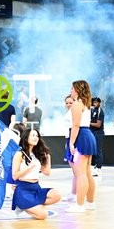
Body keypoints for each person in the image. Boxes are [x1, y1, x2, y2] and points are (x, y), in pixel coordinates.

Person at [11, 128, 61, 219]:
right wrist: (28, 168)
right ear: (26, 138)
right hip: (23, 189)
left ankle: (31, 205)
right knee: (43, 215)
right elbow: (15, 176)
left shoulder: (36, 154)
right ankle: (22, 206)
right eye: (33, 135)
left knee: (56, 195)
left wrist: (48, 158)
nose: (36, 138)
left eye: (37, 136)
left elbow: (47, 172)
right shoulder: (19, 154)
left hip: (35, 187)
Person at [65, 80, 98, 213]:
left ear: (77, 90)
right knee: (87, 172)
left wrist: (72, 142)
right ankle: (90, 202)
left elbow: (76, 125)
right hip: (87, 135)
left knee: (81, 173)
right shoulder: (86, 104)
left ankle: (79, 205)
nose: (71, 91)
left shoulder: (78, 104)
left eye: (72, 89)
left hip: (81, 136)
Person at [89, 97, 105, 176]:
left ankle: (99, 168)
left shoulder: (100, 111)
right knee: (92, 150)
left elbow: (98, 125)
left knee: (98, 150)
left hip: (98, 133)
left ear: (99, 103)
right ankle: (92, 167)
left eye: (96, 102)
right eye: (93, 102)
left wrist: (88, 123)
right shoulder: (91, 110)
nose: (94, 104)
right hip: (91, 132)